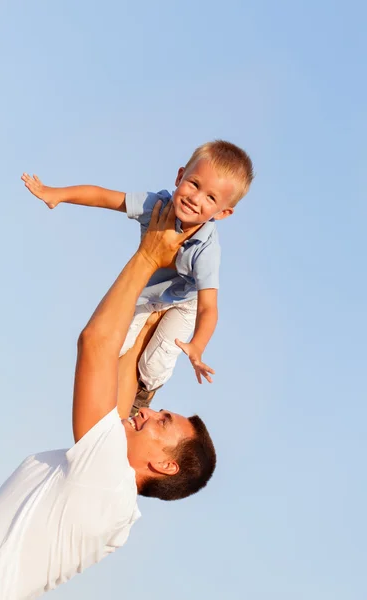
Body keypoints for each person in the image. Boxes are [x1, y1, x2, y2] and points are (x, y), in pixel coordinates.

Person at [0, 202, 216, 600]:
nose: (148, 411)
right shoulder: (113, 495)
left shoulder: (107, 487)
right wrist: (153, 315)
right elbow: (122, 379)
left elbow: (96, 344)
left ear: (165, 465)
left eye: (162, 421)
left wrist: (149, 256)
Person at [22, 140, 254, 414]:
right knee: (117, 346)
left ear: (224, 213)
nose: (196, 198)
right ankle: (110, 408)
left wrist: (197, 346)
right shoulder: (156, 205)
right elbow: (104, 197)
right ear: (180, 176)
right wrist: (57, 194)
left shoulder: (206, 250)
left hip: (183, 303)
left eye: (211, 198)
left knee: (153, 368)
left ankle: (145, 393)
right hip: (149, 292)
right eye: (194, 184)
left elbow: (208, 307)